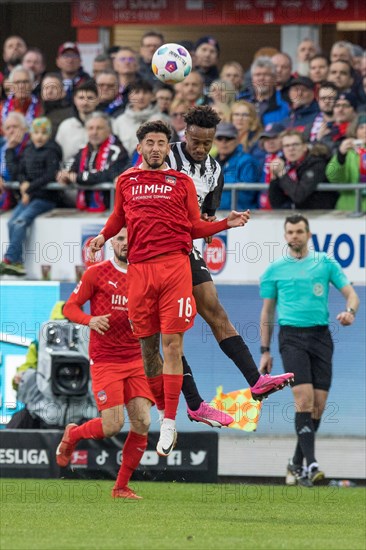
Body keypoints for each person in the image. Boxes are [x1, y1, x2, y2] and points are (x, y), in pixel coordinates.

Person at [89, 120, 251, 456]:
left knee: (173, 344)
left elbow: (194, 225)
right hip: (140, 272)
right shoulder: (126, 181)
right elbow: (118, 218)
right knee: (149, 353)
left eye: (161, 143)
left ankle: (170, 421)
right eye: (149, 142)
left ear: (168, 148)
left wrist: (225, 223)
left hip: (175, 268)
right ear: (140, 147)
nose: (155, 148)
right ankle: (166, 412)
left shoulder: (181, 182)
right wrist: (103, 237)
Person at [166, 106, 294, 426]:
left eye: (207, 143)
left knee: (215, 311)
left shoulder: (214, 170)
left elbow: (206, 214)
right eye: (195, 141)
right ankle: (194, 402)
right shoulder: (164, 156)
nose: (201, 148)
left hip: (187, 248)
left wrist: (212, 227)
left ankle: (256, 381)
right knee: (170, 336)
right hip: (156, 253)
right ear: (185, 135)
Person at [259, 213, 360, 487]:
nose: (295, 236)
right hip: (291, 337)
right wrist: (265, 350)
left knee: (318, 405)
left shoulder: (325, 263)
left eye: (299, 231)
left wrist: (349, 312)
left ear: (309, 235)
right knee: (303, 400)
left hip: (320, 337)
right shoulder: (275, 270)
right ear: (285, 236)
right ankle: (312, 465)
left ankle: (295, 462)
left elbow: (352, 295)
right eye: (290, 232)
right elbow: (267, 312)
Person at [57, 228, 154, 500]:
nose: (125, 243)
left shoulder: (146, 275)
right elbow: (70, 307)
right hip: (106, 359)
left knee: (143, 421)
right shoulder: (96, 273)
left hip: (136, 357)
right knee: (112, 425)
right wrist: (90, 320)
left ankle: (120, 487)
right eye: (120, 238)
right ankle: (74, 434)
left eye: (130, 238)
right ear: (112, 242)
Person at [0, 117, 63, 276]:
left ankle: (9, 259)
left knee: (20, 222)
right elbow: (19, 172)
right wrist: (23, 184)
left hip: (45, 198)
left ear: (49, 134)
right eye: (36, 132)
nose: (39, 136)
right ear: (31, 134)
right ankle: (18, 263)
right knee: (11, 222)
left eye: (43, 133)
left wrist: (29, 188)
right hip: (29, 196)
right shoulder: (28, 150)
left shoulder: (52, 150)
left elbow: (50, 175)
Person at [56, 111, 130, 212]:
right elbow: (70, 167)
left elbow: (106, 175)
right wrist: (64, 174)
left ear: (109, 130)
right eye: (91, 128)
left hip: (111, 211)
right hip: (84, 209)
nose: (94, 132)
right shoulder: (83, 150)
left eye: (99, 128)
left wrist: (78, 177)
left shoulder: (118, 150)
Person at [268, 129, 338, 210]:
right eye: (287, 146)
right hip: (298, 214)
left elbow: (299, 195)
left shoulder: (317, 164)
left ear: (305, 147)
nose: (291, 149)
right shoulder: (284, 163)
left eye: (295, 144)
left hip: (321, 215)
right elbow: (276, 203)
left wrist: (282, 173)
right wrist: (274, 177)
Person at [214, 122, 259, 210]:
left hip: (241, 217)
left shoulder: (247, 162)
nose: (224, 142)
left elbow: (246, 196)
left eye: (229, 138)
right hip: (216, 216)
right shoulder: (210, 162)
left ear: (237, 140)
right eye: (220, 138)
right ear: (214, 141)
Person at [326, 113, 366, 211]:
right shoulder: (347, 152)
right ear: (355, 132)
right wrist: (340, 156)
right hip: (349, 208)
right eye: (361, 127)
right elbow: (332, 176)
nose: (365, 131)